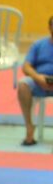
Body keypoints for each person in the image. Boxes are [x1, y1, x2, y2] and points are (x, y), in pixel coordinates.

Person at [17, 16, 53, 146]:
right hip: (40, 80)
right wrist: (38, 78)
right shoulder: (38, 45)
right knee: (23, 85)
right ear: (50, 27)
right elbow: (26, 66)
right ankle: (29, 127)